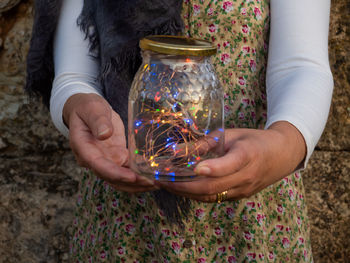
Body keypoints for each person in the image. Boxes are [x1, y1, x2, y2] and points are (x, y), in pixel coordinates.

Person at [27, 0, 333, 261]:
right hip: (125, 218)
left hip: (254, 212)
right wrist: (78, 107)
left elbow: (301, 65)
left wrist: (286, 143)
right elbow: (74, 77)